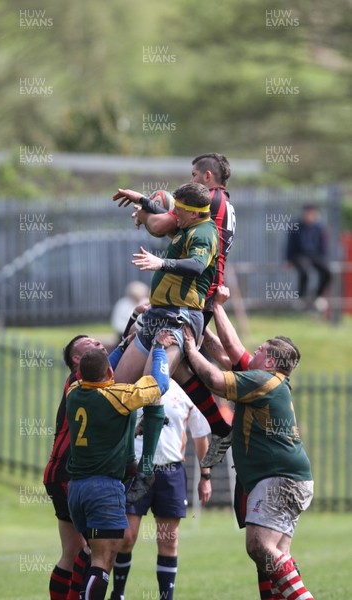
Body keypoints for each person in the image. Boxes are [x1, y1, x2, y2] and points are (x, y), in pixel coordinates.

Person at [182, 290, 315, 600]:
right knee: (270, 559)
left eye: (261, 348)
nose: (252, 350)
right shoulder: (267, 378)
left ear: (270, 360)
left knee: (259, 546)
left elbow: (214, 379)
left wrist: (189, 347)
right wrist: (211, 312)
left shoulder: (261, 380)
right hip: (288, 477)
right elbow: (229, 346)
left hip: (278, 478)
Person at [113, 153, 236, 470]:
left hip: (193, 300)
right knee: (184, 371)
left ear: (208, 178)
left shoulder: (209, 207)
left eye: (195, 174)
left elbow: (164, 223)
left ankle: (146, 454)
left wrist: (148, 217)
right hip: (178, 302)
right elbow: (176, 219)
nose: (192, 179)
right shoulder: (210, 209)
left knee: (180, 371)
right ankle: (220, 427)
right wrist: (143, 199)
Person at [66, 336, 170, 600]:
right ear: (110, 373)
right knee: (103, 560)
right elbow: (159, 384)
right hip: (103, 489)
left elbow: (98, 370)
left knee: (92, 554)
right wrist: (158, 348)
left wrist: (123, 346)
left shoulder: (73, 391)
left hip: (77, 489)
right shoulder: (118, 397)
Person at [109, 378, 212, 600]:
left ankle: (167, 597)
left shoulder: (186, 391)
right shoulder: (134, 384)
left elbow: (200, 435)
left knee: (168, 540)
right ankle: (118, 594)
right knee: (126, 536)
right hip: (136, 470)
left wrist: (205, 475)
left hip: (171, 472)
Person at [44, 335, 108, 600]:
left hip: (58, 475)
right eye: (91, 343)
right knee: (97, 550)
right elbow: (110, 366)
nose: (98, 343)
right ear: (76, 359)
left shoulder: (79, 381)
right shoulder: (80, 379)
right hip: (69, 475)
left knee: (72, 552)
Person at [286, 203, 332, 311]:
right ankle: (301, 297)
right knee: (304, 270)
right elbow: (289, 244)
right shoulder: (296, 226)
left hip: (314, 255)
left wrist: (323, 259)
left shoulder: (319, 227)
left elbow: (323, 245)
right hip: (299, 255)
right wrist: (288, 259)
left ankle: (318, 296)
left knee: (327, 271)